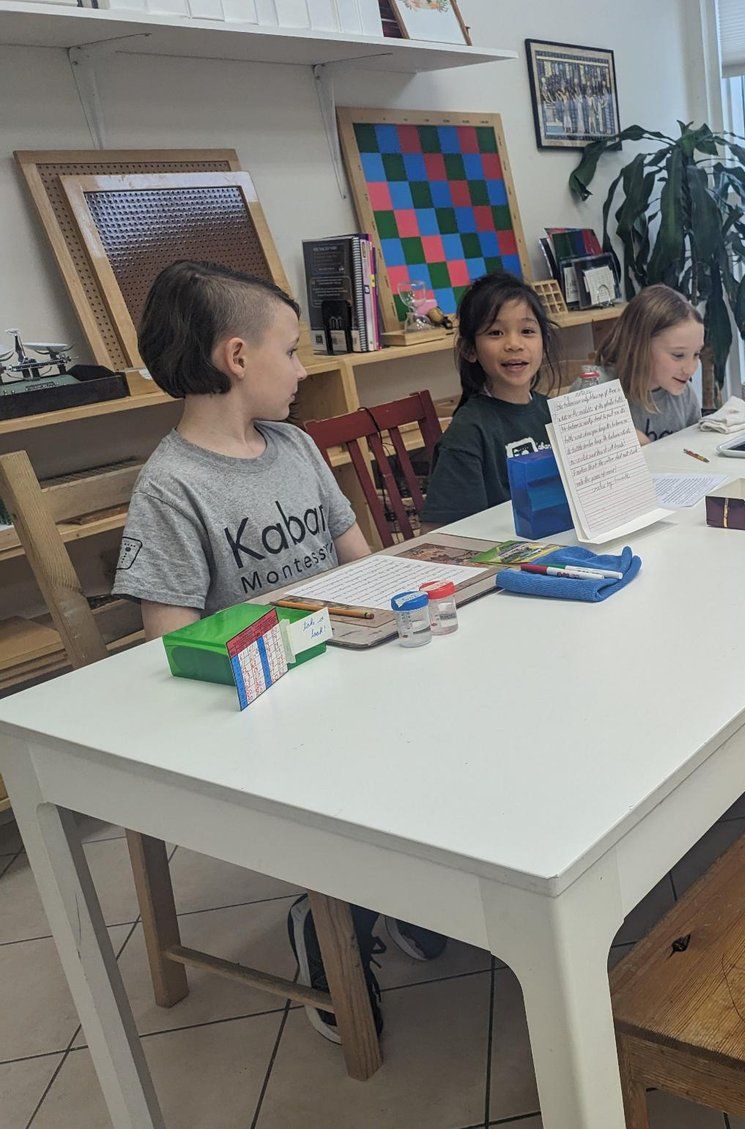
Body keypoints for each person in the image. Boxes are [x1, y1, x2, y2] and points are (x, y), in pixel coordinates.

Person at [111, 260, 444, 1045]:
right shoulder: (171, 487)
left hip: (341, 664)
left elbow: (359, 564)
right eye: (290, 351)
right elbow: (174, 646)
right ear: (236, 357)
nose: (303, 369)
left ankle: (399, 887)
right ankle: (326, 915)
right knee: (372, 753)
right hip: (263, 702)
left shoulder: (293, 446)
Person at [422, 272, 557, 526]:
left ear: (544, 343)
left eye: (527, 330)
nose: (514, 344)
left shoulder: (554, 413)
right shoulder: (467, 433)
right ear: (470, 350)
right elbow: (438, 535)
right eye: (495, 333)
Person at [569, 283, 704, 443]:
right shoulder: (594, 387)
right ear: (639, 346)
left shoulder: (685, 395)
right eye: (678, 355)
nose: (690, 369)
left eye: (696, 354)